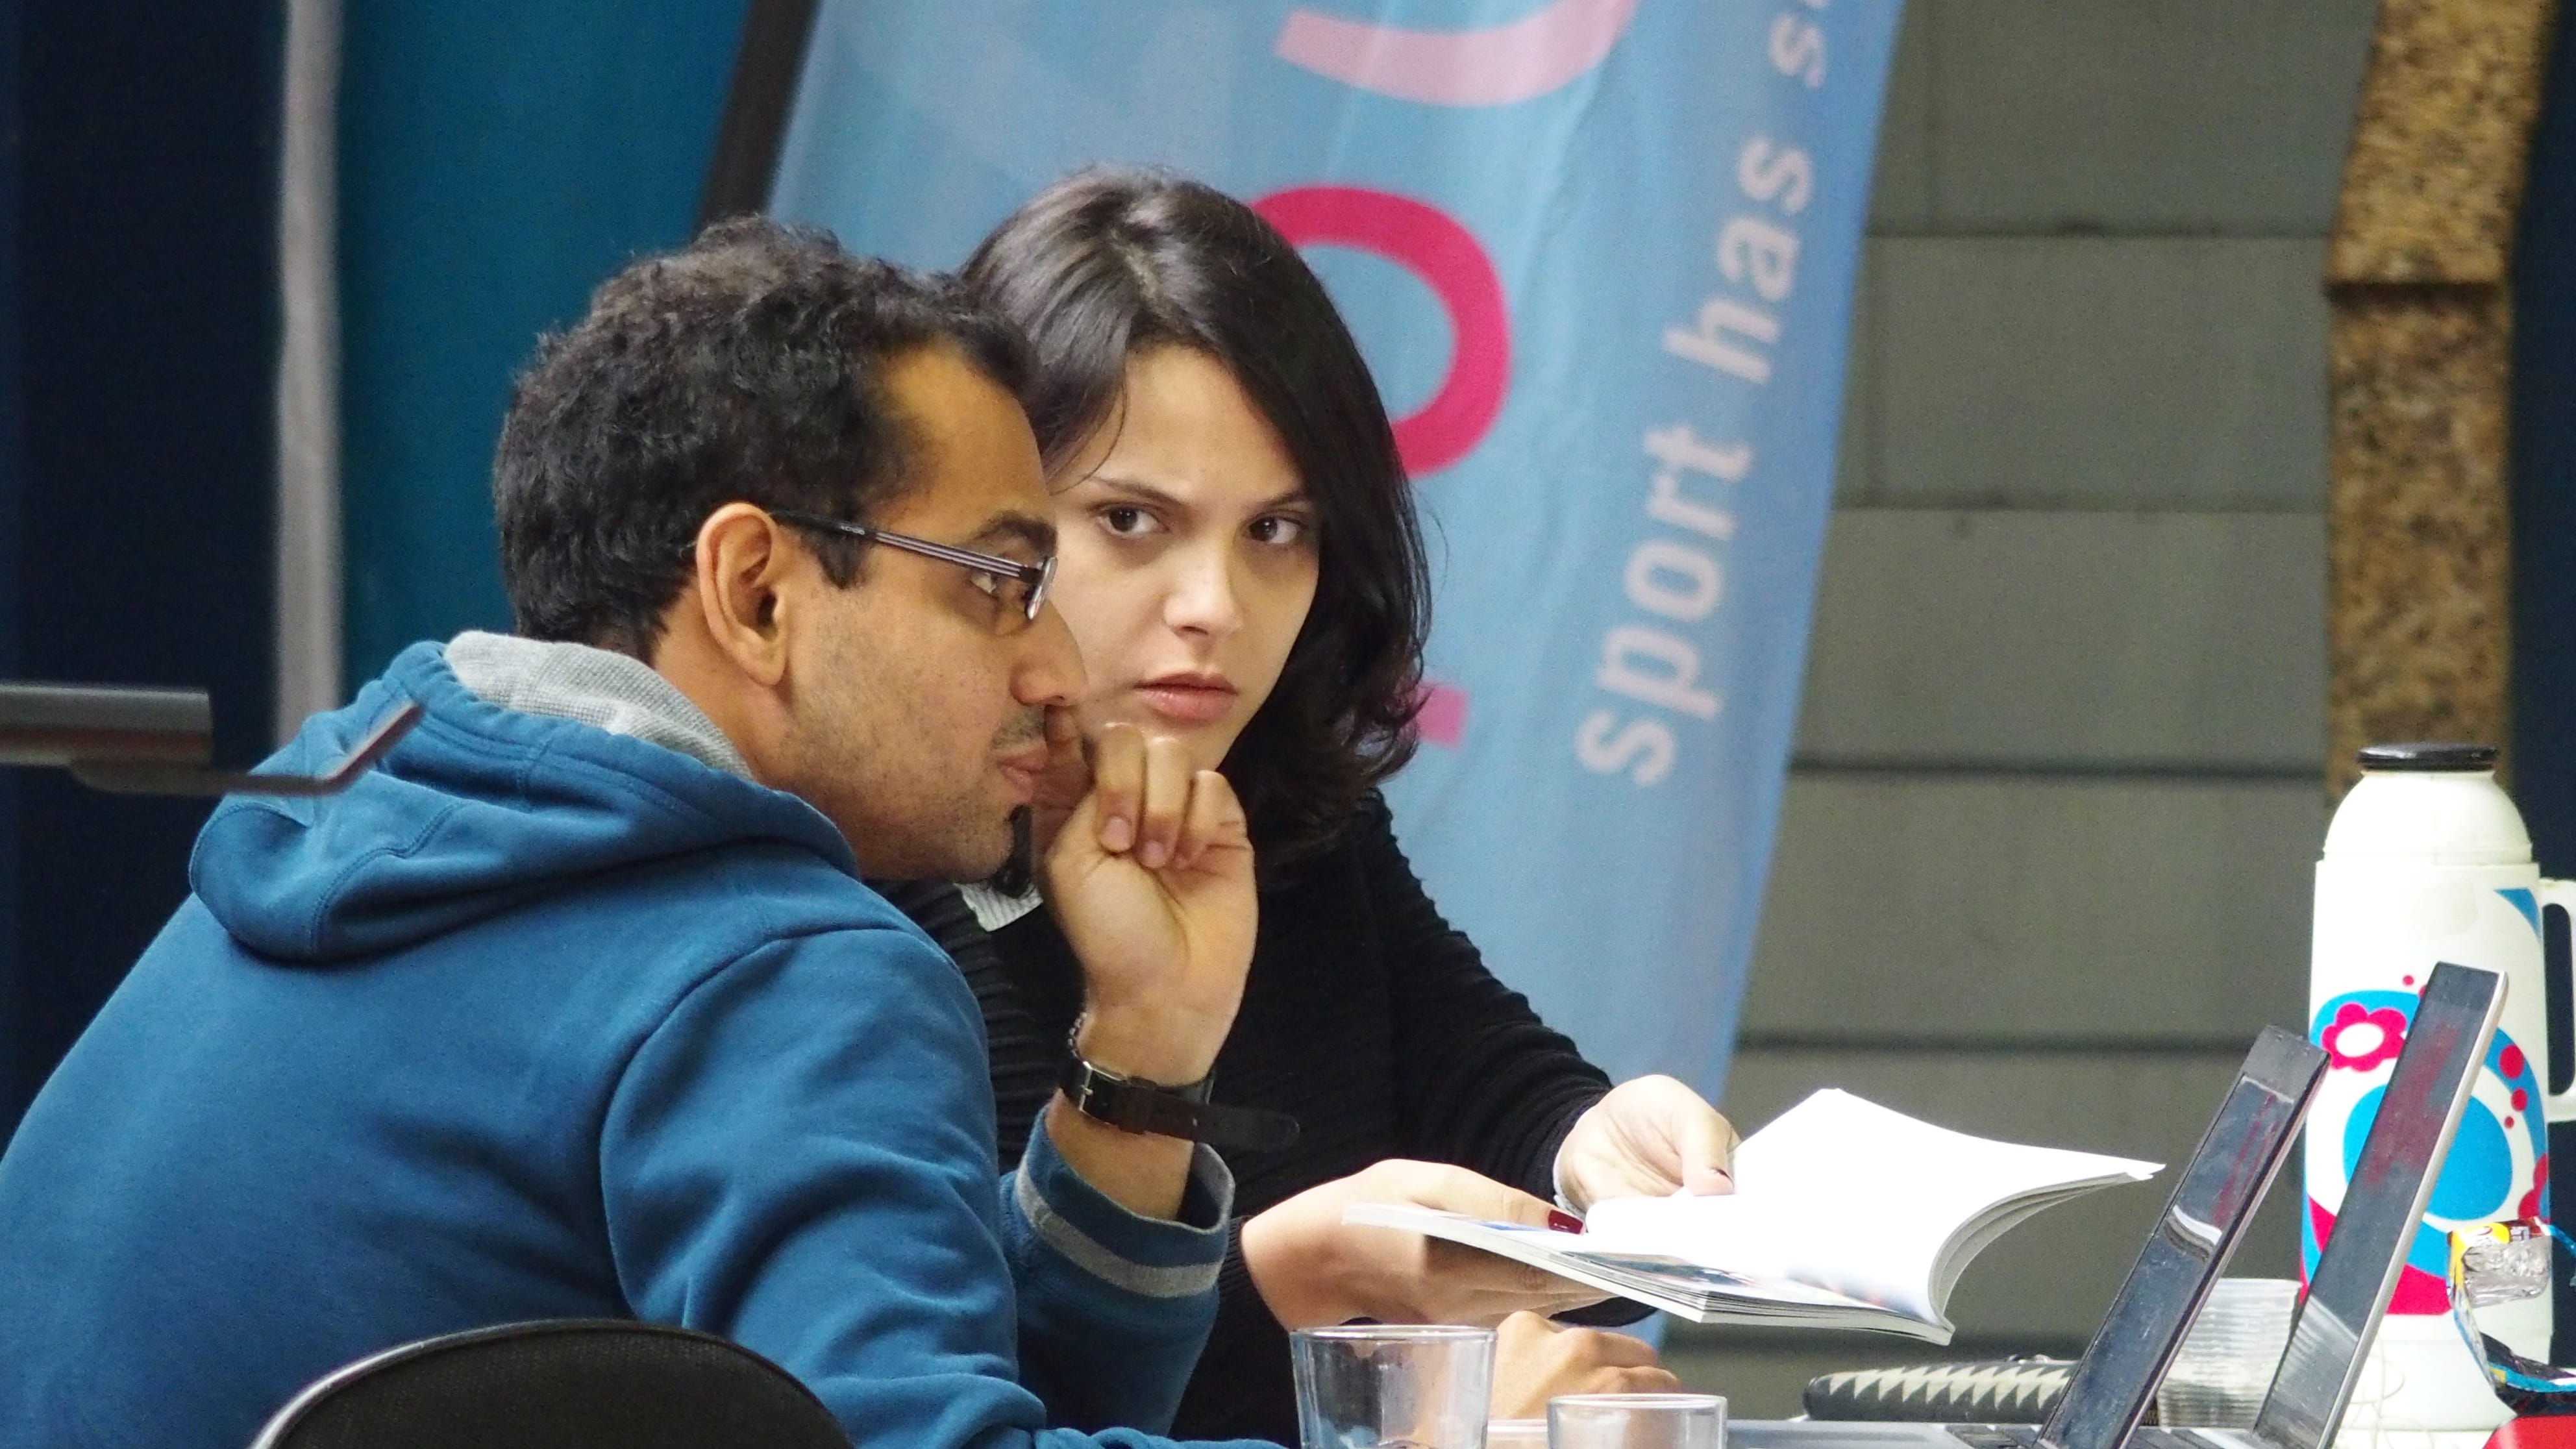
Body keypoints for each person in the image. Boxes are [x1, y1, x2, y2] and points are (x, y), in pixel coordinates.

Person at [0, 219, 1277, 1449]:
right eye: (1001, 584)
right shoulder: (776, 973)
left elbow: (928, 1402)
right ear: (755, 592)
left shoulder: (338, 821)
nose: (1060, 672)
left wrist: (1146, 1046)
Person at [877, 168, 1742, 1443]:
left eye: (1275, 532)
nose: (1215, 607)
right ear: (990, 535)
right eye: (1132, 520)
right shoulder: (859, 874)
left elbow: (1487, 1085)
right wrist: (1321, 1299)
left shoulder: (1286, 816)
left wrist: (1600, 1154)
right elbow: (940, 1398)